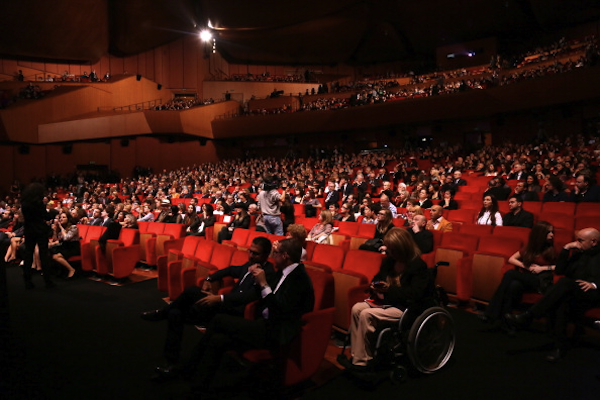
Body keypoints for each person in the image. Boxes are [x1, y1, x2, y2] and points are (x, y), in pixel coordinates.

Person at [186, 238, 314, 397]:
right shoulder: (283, 272)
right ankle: (198, 385)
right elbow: (259, 294)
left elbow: (279, 309)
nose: (273, 257)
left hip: (277, 331)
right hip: (264, 324)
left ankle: (191, 366)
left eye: (276, 253)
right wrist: (256, 278)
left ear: (285, 255)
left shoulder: (299, 278)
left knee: (219, 320)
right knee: (218, 340)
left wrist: (263, 284)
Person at [142, 237, 275, 379]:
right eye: (250, 251)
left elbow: (249, 296)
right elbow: (229, 270)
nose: (251, 256)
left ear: (266, 255)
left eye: (256, 253)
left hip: (232, 314)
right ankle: (171, 362)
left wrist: (219, 298)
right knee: (175, 313)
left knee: (192, 290)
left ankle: (162, 313)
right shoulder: (249, 265)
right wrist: (209, 279)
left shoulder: (267, 273)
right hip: (221, 306)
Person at [338, 227, 432, 370]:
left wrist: (389, 290)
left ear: (402, 247)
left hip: (405, 307)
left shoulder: (418, 266)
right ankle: (359, 357)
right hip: (387, 301)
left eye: (393, 249)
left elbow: (414, 294)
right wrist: (376, 285)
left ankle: (365, 360)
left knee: (366, 314)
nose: (390, 252)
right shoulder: (390, 261)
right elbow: (378, 277)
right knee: (357, 308)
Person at [506, 228, 600, 362]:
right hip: (572, 289)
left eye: (580, 240)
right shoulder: (578, 253)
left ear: (594, 242)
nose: (576, 243)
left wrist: (595, 285)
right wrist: (566, 249)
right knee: (563, 301)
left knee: (564, 283)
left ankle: (529, 316)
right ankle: (559, 347)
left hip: (592, 293)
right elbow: (560, 270)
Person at [481, 221, 556, 333]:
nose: (552, 235)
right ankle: (507, 323)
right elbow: (511, 259)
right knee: (513, 286)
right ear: (540, 234)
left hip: (541, 282)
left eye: (552, 232)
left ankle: (491, 313)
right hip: (527, 279)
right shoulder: (530, 247)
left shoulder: (552, 249)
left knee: (510, 274)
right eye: (548, 232)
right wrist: (526, 266)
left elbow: (561, 266)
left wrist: (543, 268)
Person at [20, 183, 55, 289]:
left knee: (28, 255)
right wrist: (52, 213)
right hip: (40, 231)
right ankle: (47, 281)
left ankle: (27, 281)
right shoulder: (39, 204)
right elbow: (47, 217)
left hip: (29, 230)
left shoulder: (24, 204)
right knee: (44, 255)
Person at [48, 212, 80, 279]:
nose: (61, 219)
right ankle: (58, 271)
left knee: (56, 256)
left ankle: (72, 270)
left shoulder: (73, 227)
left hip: (73, 247)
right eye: (60, 217)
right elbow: (56, 239)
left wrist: (61, 228)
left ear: (68, 219)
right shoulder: (63, 227)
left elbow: (66, 238)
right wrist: (54, 230)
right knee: (50, 251)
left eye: (63, 217)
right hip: (65, 246)